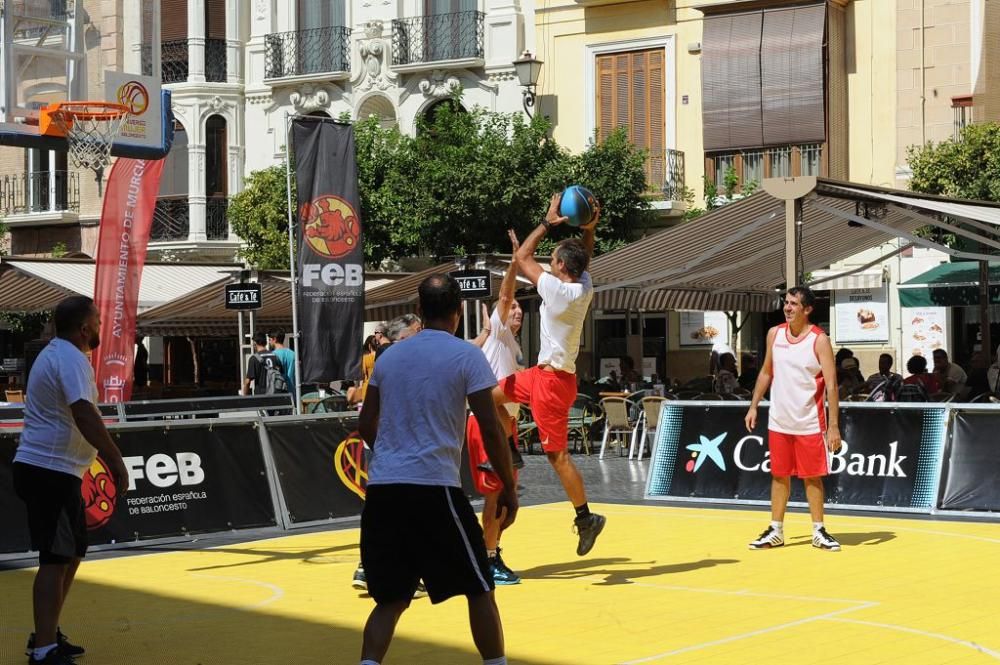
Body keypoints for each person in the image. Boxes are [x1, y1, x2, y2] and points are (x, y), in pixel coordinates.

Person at [357, 274, 517, 665]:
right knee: (480, 587)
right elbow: (492, 428)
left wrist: (393, 452)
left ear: (419, 309)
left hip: (384, 489)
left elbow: (366, 423)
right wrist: (509, 487)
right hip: (433, 488)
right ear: (458, 312)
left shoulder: (389, 356)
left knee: (390, 600)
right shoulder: (465, 355)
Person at [13, 296, 129, 665]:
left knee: (71, 553)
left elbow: (81, 413)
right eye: (97, 321)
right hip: (48, 471)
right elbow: (84, 413)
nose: (100, 326)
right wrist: (115, 459)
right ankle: (43, 649)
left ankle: (47, 634)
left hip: (59, 471)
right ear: (84, 328)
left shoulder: (60, 354)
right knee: (55, 558)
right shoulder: (70, 357)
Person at [494, 192, 606, 557]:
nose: (550, 261)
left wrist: (546, 221)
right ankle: (509, 448)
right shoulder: (583, 285)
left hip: (552, 382)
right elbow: (582, 258)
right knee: (486, 394)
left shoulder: (558, 291)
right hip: (545, 376)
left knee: (557, 457)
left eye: (553, 259)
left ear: (559, 267)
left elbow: (522, 257)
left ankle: (586, 517)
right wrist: (589, 228)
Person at [745, 286, 842, 552]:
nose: (787, 308)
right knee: (779, 475)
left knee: (812, 477)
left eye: (793, 304)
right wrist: (754, 405)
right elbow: (766, 372)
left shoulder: (819, 339)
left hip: (810, 420)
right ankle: (775, 530)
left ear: (807, 309)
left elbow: (832, 386)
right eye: (786, 303)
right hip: (779, 420)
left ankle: (819, 530)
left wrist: (834, 426)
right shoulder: (774, 334)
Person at [468, 230, 525, 585]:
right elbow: (505, 293)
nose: (517, 308)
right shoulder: (500, 331)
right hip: (488, 425)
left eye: (520, 307)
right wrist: (516, 262)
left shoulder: (513, 345)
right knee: (495, 495)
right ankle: (487, 558)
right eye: (513, 306)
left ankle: (489, 549)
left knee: (508, 500)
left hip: (508, 426)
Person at [242, 331, 285, 396]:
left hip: (261, 396)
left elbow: (247, 382)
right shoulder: (275, 356)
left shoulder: (254, 358)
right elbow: (282, 374)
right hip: (275, 394)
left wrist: (244, 396)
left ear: (255, 343)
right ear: (265, 342)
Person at [267, 330, 296, 395]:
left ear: (274, 339)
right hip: (292, 391)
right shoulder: (293, 354)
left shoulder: (272, 355)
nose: (269, 342)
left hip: (278, 392)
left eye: (270, 339)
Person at [354, 335, 380, 406]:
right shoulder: (381, 356)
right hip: (379, 387)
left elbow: (362, 374)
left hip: (368, 387)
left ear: (369, 346)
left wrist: (359, 387)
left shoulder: (365, 358)